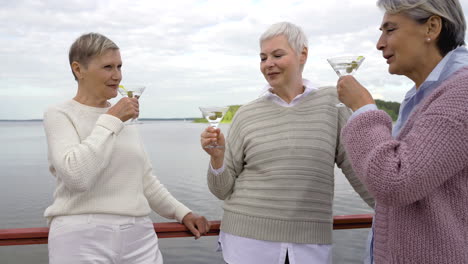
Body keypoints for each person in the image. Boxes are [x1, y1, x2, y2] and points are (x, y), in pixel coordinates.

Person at [200, 22, 375, 264]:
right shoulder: (246, 114)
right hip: (247, 244)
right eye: (263, 57)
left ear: (303, 54)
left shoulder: (332, 104)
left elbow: (359, 172)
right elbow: (222, 190)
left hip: (310, 247)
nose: (268, 63)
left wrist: (402, 208)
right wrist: (216, 157)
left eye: (277, 55)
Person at [43, 32, 210, 264]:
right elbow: (77, 177)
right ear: (78, 69)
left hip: (139, 237)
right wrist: (112, 119)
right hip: (81, 237)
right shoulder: (60, 114)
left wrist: (183, 213)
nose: (117, 76)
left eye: (120, 66)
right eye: (108, 67)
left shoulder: (122, 117)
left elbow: (145, 181)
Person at [336, 0, 468, 263]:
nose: (379, 43)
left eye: (390, 29)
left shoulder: (461, 95)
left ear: (431, 27)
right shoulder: (421, 97)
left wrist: (363, 109)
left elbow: (394, 181)